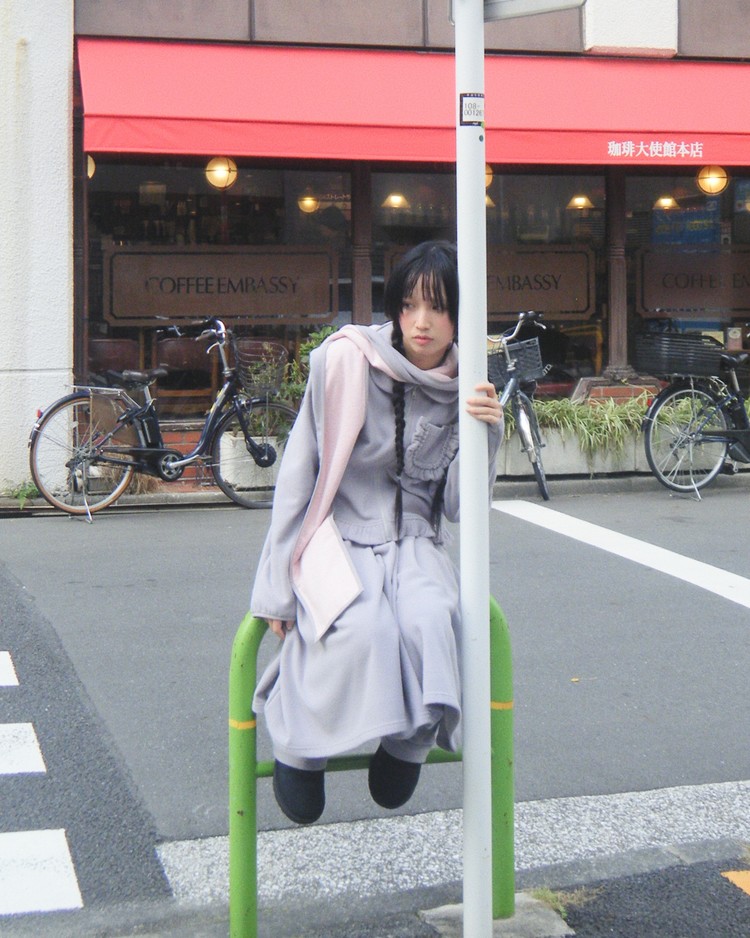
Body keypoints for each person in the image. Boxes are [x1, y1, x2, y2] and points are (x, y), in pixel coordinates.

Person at [250, 240, 503, 825]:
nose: (422, 322)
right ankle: (299, 749)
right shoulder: (344, 361)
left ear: (460, 316)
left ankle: (406, 747)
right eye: (410, 305)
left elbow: (459, 509)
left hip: (415, 540)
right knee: (356, 626)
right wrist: (276, 589)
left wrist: (486, 437)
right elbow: (299, 476)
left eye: (438, 308)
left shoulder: (468, 384)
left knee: (431, 619)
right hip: (338, 533)